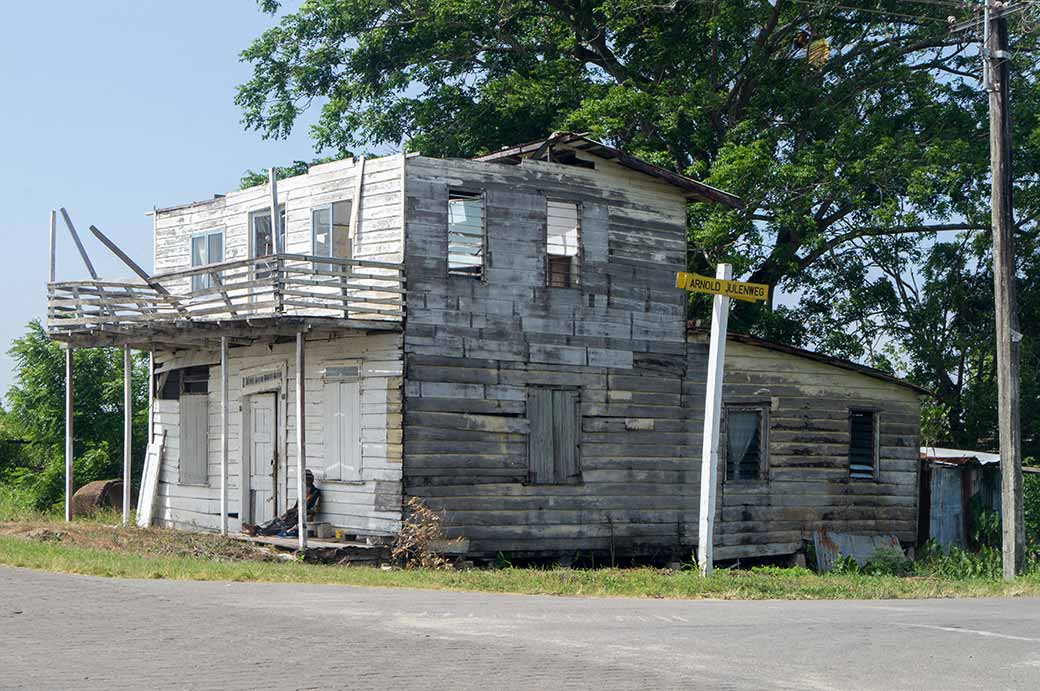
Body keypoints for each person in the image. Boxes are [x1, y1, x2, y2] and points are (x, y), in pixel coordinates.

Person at [242, 469, 321, 537]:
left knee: (281, 525)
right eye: (304, 480)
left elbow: (313, 511)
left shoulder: (316, 492)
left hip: (305, 516)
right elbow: (297, 506)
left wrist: (296, 511)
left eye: (307, 480)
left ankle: (258, 531)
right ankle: (256, 527)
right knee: (277, 519)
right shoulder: (302, 491)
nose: (306, 482)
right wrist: (291, 511)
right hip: (295, 514)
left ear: (311, 480)